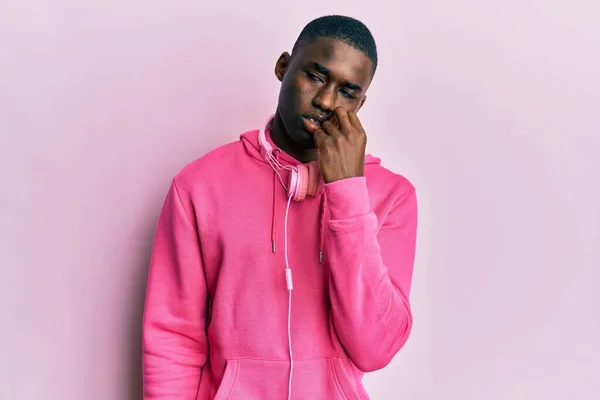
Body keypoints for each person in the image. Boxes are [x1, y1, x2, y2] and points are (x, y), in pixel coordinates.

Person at [142, 14, 418, 400]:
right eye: (316, 76)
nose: (325, 101)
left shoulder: (392, 196)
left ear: (361, 102)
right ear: (284, 66)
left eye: (347, 91)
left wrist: (348, 192)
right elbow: (173, 338)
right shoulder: (199, 186)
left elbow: (375, 348)